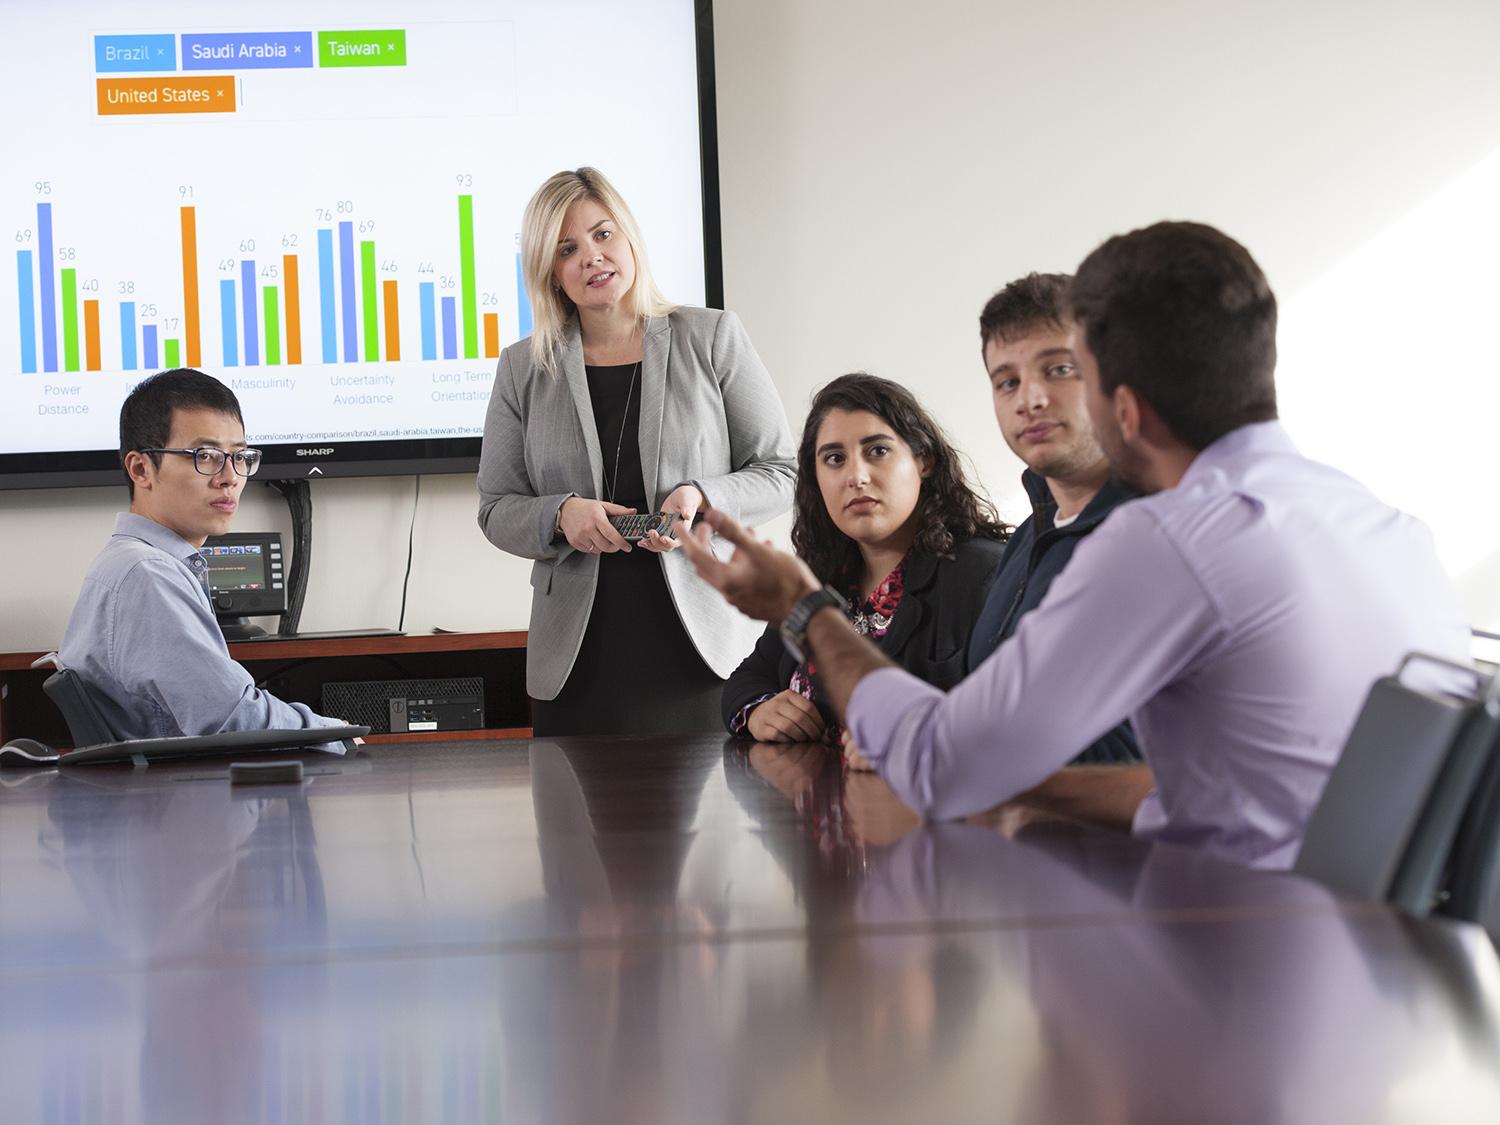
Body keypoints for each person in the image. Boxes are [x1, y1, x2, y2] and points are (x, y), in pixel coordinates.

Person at [680, 221, 1471, 869]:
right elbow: (1218, 795)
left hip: (1234, 972)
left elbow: (941, 764)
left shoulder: (1166, 540)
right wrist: (1029, 782)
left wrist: (801, 603)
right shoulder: (1389, 528)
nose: (1042, 401)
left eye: (1071, 373)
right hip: (1378, 990)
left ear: (1123, 410)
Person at [477, 167, 795, 736]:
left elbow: (782, 471)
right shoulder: (523, 368)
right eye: (567, 248)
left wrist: (703, 496)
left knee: (716, 823)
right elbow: (496, 507)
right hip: (577, 658)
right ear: (550, 271)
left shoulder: (712, 336)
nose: (592, 257)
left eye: (603, 235)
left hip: (701, 649)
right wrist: (560, 515)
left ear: (629, 239)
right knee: (572, 825)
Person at [58, 369, 347, 741]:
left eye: (240, 456)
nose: (229, 476)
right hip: (174, 795)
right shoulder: (147, 575)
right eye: (205, 456)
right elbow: (236, 720)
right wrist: (336, 733)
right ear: (141, 468)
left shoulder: (133, 564)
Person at [722, 374, 1007, 742]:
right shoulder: (819, 576)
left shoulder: (986, 573)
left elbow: (1019, 723)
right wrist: (760, 708)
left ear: (924, 461)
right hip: (812, 796)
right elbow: (746, 679)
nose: (856, 476)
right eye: (835, 459)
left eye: (878, 451)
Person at [970, 273, 1140, 764]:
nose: (1030, 399)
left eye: (1060, 369)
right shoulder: (1027, 538)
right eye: (1007, 382)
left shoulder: (1162, 530)